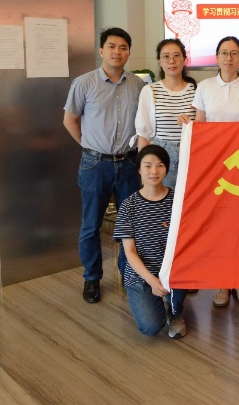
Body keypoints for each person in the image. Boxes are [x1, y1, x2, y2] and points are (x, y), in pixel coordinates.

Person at [63, 27, 144, 304]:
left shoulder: (138, 85)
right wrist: (89, 146)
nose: (116, 52)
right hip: (95, 164)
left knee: (129, 226)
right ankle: (92, 278)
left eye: (123, 47)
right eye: (111, 46)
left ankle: (128, 274)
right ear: (101, 51)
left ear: (129, 53)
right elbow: (69, 120)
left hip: (129, 163)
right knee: (91, 225)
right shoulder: (84, 83)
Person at [186, 36, 239, 308]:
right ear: (216, 57)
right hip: (215, 167)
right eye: (223, 53)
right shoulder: (204, 87)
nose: (228, 58)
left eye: (233, 53)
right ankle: (221, 282)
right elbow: (200, 127)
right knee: (218, 225)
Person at [113, 145, 189, 338]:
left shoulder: (178, 201)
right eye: (147, 166)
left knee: (181, 277)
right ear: (139, 169)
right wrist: (152, 281)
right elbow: (129, 252)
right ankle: (152, 299)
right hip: (141, 273)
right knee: (150, 327)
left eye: (160, 165)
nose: (154, 171)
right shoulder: (128, 205)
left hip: (173, 271)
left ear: (166, 169)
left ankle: (175, 312)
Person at [135, 38, 197, 189]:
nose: (171, 61)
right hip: (161, 158)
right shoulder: (150, 91)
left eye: (176, 55)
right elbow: (144, 134)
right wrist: (144, 175)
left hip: (192, 155)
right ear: (159, 61)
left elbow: (205, 126)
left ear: (184, 59)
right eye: (166, 56)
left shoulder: (197, 89)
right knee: (162, 201)